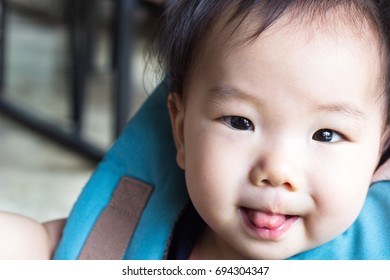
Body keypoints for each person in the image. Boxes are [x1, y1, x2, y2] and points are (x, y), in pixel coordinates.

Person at [1, 0, 390, 259]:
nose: (278, 171)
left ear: (378, 149)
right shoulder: (137, 228)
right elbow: (57, 247)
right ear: (181, 129)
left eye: (326, 134)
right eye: (240, 122)